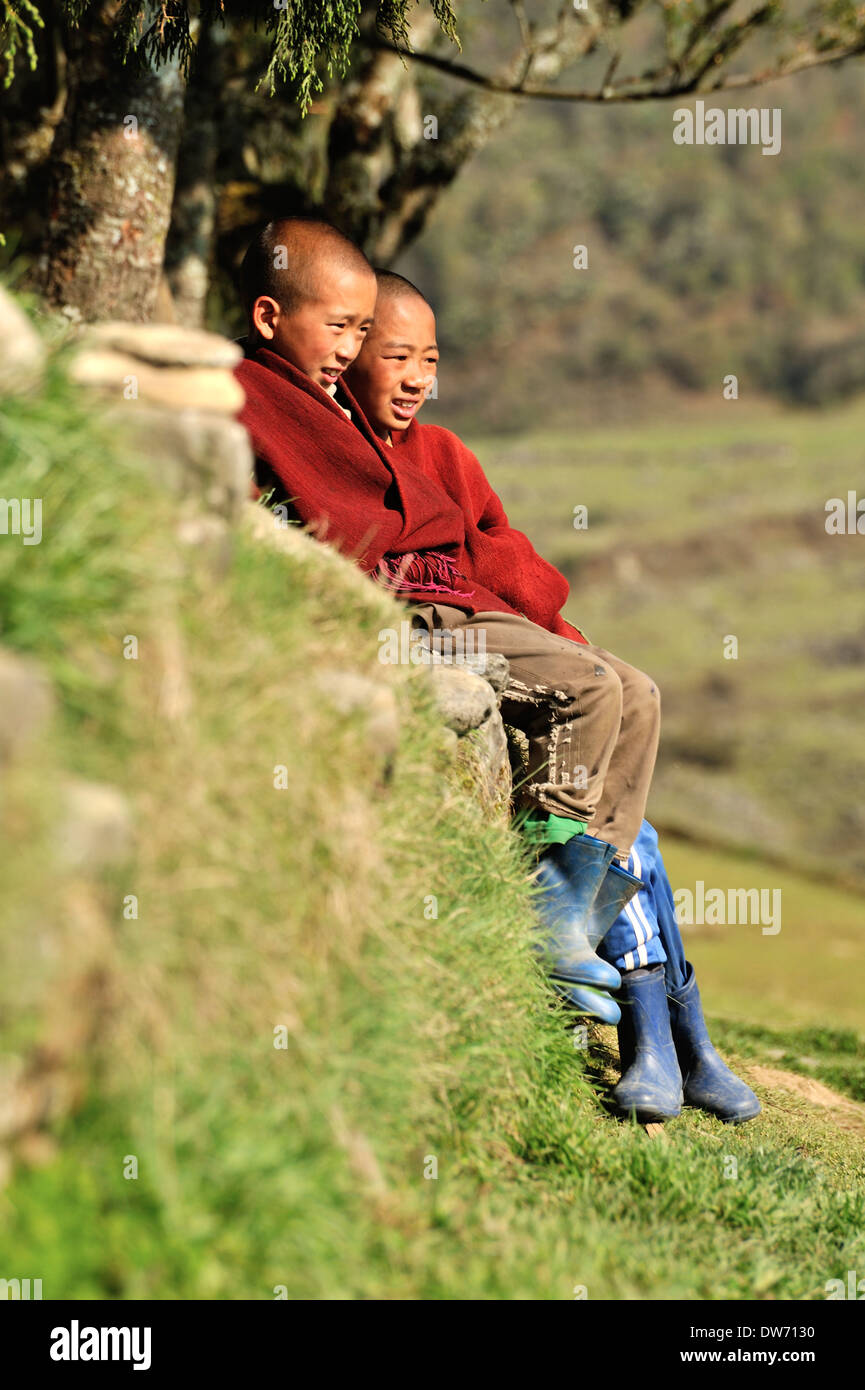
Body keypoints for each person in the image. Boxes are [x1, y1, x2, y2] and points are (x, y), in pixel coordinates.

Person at [341, 269, 760, 1126]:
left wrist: (558, 630)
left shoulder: (445, 453)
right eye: (397, 356)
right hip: (428, 633)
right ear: (349, 350)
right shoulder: (335, 440)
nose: (418, 376)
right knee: (618, 776)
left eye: (431, 358)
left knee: (634, 697)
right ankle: (646, 1019)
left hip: (488, 627)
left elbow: (497, 553)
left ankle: (657, 1018)